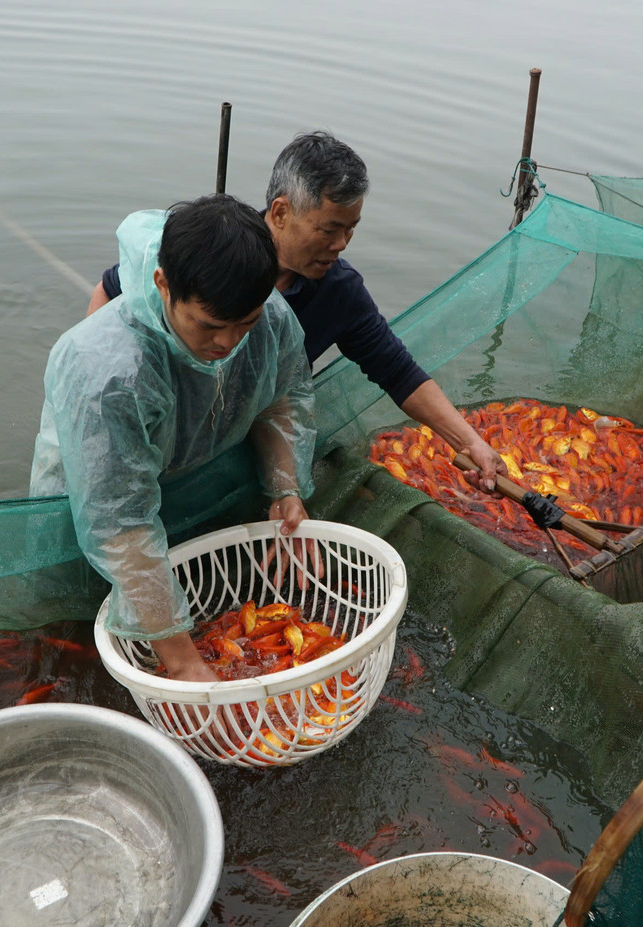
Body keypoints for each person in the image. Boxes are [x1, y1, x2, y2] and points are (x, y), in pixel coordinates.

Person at [87, 131, 507, 490]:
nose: (342, 243)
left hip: (245, 444)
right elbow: (107, 295)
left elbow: (397, 370)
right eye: (329, 229)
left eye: (351, 229)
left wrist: (468, 441)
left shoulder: (339, 290)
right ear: (281, 212)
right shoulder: (213, 249)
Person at [30, 194, 315, 682]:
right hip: (91, 515)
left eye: (242, 324)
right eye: (208, 325)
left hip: (181, 493)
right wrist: (185, 664)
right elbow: (120, 524)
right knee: (71, 649)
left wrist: (283, 487)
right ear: (163, 285)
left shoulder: (268, 319)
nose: (226, 343)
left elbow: (280, 399)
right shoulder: (106, 371)